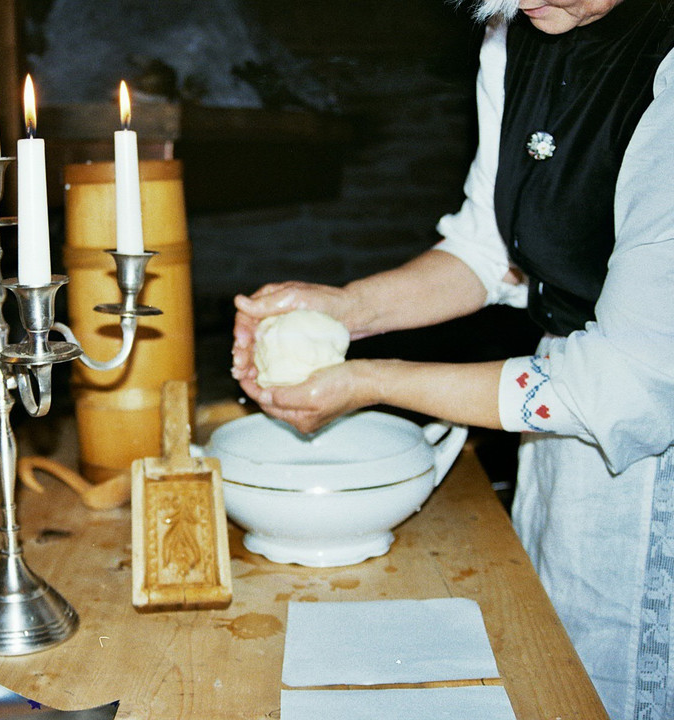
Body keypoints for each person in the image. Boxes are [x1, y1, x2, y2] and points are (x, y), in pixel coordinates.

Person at [230, 1, 674, 718]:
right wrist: (348, 308)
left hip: (656, 465)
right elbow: (490, 248)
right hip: (562, 431)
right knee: (557, 668)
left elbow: (624, 384)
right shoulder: (517, 27)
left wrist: (371, 382)